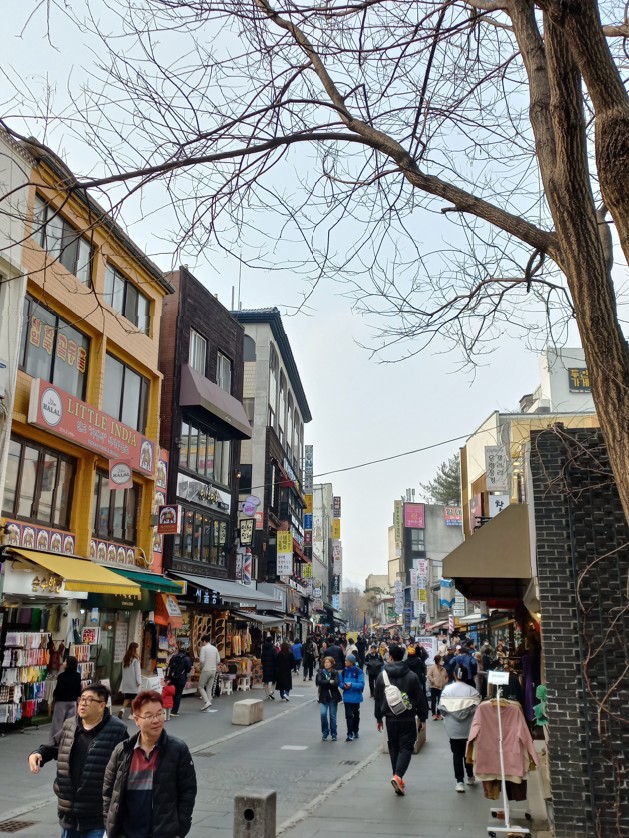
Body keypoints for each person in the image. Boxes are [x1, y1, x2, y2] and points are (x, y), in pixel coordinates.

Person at [28, 683, 128, 838]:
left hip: (96, 815)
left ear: (102, 705)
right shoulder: (70, 724)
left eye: (89, 700)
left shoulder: (117, 730)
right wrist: (37, 754)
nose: (83, 703)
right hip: (68, 812)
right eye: (82, 699)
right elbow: (54, 746)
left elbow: (126, 769)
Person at [103, 690, 197, 838]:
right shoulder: (122, 751)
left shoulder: (177, 750)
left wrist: (180, 830)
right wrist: (111, 826)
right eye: (149, 716)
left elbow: (188, 791)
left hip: (164, 832)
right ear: (136, 719)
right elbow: (108, 792)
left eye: (159, 713)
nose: (156, 720)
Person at [374, 643, 427, 796]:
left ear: (390, 656)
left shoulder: (382, 676)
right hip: (407, 717)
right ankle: (398, 776)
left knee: (394, 746)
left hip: (390, 718)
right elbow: (420, 697)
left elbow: (378, 698)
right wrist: (422, 717)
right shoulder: (412, 676)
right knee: (406, 747)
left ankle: (397, 777)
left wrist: (378, 718)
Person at [438, 665, 481, 792]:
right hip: (469, 729)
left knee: (457, 754)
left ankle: (459, 781)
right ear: (466, 675)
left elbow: (443, 711)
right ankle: (470, 776)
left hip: (453, 729)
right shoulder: (473, 691)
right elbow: (478, 711)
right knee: (468, 753)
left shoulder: (447, 690)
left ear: (454, 675)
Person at [49, 656, 82, 743]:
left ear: (68, 664)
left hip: (61, 702)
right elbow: (79, 690)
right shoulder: (78, 676)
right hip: (72, 702)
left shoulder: (61, 676)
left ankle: (55, 740)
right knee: (70, 723)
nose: (63, 663)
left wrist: (54, 696)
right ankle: (68, 740)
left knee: (58, 722)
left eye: (65, 661)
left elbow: (59, 689)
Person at [316, 656, 342, 740]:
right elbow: (319, 681)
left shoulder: (335, 672)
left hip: (333, 696)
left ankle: (334, 733)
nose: (326, 664)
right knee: (323, 714)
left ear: (332, 663)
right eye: (325, 662)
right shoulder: (321, 672)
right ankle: (325, 732)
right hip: (323, 696)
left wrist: (327, 683)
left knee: (332, 715)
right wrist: (329, 681)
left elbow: (337, 683)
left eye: (328, 662)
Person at [341, 654, 364, 741]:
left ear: (351, 662)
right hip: (347, 697)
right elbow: (340, 682)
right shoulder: (344, 671)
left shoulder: (359, 671)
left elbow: (361, 685)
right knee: (348, 715)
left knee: (356, 715)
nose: (345, 662)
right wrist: (343, 686)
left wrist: (351, 685)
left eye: (346, 661)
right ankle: (349, 733)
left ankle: (356, 730)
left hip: (356, 697)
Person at [166, 643, 192, 717]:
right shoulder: (186, 659)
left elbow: (169, 667)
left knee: (172, 693)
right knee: (178, 694)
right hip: (181, 679)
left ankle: (170, 708)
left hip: (172, 678)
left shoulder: (173, 657)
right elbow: (188, 669)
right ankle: (174, 711)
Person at [119, 642, 142, 720]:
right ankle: (131, 714)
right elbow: (137, 672)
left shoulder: (126, 659)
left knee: (127, 697)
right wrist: (139, 682)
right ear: (135, 649)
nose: (138, 650)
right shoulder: (136, 659)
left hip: (126, 682)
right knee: (134, 698)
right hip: (133, 682)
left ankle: (122, 709)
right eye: (137, 648)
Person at [198, 634, 220, 711]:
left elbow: (202, 660)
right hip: (213, 670)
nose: (202, 644)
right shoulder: (215, 649)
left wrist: (201, 667)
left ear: (204, 641)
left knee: (200, 686)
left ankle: (206, 701)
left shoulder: (203, 648)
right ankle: (208, 705)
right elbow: (218, 661)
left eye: (202, 642)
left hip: (206, 670)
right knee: (209, 688)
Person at [427, 653, 448, 720]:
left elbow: (446, 676)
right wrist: (433, 681)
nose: (442, 661)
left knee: (440, 701)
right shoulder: (432, 667)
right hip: (434, 687)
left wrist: (444, 682)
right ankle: (433, 714)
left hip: (441, 687)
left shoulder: (443, 669)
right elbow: (429, 675)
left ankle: (439, 713)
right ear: (438, 661)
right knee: (433, 701)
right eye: (441, 660)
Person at [261, 635, 278, 700]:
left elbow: (262, 659)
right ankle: (271, 692)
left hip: (265, 667)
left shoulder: (264, 650)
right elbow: (276, 659)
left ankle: (267, 695)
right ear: (272, 641)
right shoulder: (273, 649)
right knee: (273, 680)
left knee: (266, 681)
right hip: (272, 668)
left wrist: (264, 664)